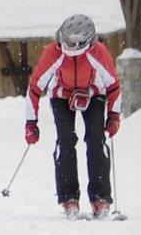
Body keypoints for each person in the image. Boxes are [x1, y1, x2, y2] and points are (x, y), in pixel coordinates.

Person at [24, 14, 122, 219]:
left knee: (96, 139)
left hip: (93, 93)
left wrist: (114, 115)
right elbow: (35, 87)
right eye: (65, 40)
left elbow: (113, 85)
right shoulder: (54, 51)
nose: (67, 45)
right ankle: (69, 197)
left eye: (72, 43)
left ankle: (100, 198)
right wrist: (31, 122)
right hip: (61, 94)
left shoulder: (99, 53)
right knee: (66, 140)